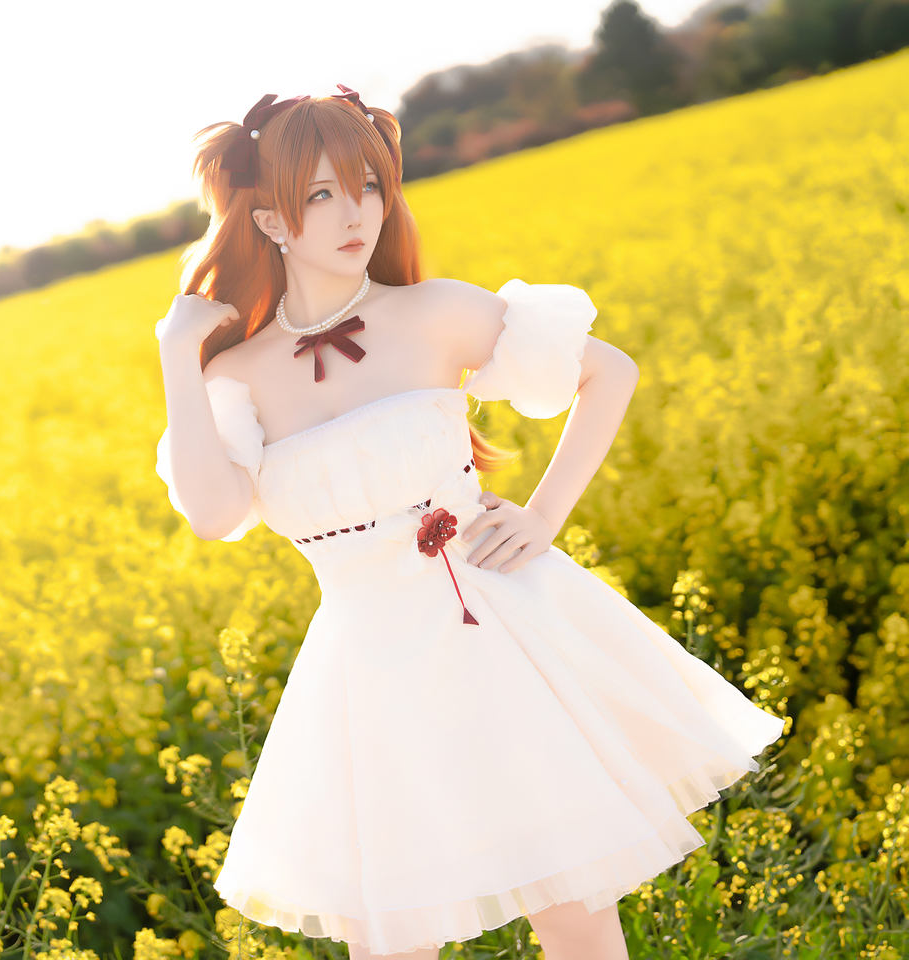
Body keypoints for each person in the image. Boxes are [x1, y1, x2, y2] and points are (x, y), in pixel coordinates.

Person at [153, 86, 786, 960]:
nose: (355, 214)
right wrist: (176, 355)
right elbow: (215, 513)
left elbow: (610, 372)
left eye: (367, 186)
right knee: (394, 940)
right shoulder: (238, 376)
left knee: (572, 911)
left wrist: (545, 516)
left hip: (496, 630)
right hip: (368, 672)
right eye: (321, 194)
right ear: (269, 222)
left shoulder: (433, 313)